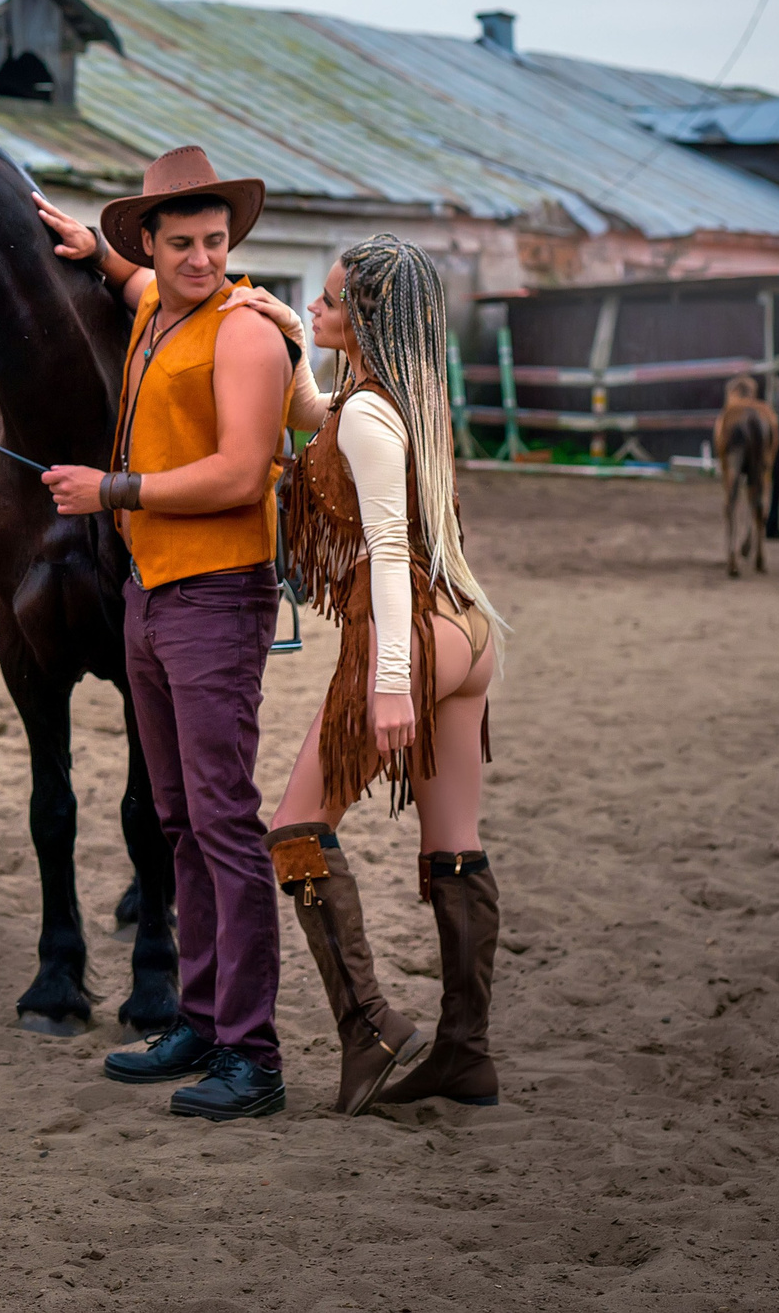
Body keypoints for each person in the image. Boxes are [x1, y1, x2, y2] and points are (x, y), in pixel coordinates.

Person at [32, 146, 301, 1121]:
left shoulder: (244, 333)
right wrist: (87, 248)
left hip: (218, 597)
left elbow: (239, 473)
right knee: (180, 819)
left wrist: (113, 490)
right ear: (149, 240)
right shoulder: (158, 303)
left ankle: (254, 1053)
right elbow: (137, 279)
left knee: (224, 826)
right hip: (151, 592)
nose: (201, 259)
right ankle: (199, 1017)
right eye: (181, 242)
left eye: (215, 242)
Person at [228, 237, 506, 1112]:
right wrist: (288, 337)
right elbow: (322, 422)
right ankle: (465, 1054)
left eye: (328, 302)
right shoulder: (395, 398)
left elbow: (386, 553)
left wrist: (390, 683)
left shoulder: (371, 416)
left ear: (367, 319)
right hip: (468, 630)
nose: (314, 306)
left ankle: (371, 1028)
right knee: (451, 847)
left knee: (295, 829)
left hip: (411, 629)